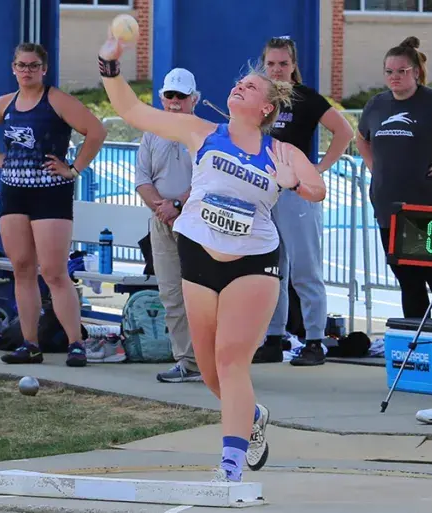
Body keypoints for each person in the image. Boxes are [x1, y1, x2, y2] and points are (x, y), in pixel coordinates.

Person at [98, 32, 325, 482]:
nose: (240, 86)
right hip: (199, 255)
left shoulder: (282, 150)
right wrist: (110, 65)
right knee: (209, 371)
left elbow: (317, 189)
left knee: (230, 361)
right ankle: (252, 417)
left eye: (252, 87)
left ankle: (232, 463)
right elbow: (131, 111)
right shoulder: (201, 131)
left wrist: (291, 181)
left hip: (254, 262)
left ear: (265, 108)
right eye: (239, 84)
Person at [0, 43, 106, 367]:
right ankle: (30, 343)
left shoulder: (55, 100)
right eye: (20, 65)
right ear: (13, 68)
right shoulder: (7, 103)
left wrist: (74, 168)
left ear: (43, 69)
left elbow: (96, 131)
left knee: (55, 272)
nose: (26, 71)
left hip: (50, 193)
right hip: (15, 192)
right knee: (22, 269)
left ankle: (75, 343)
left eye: (32, 65)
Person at [255, 36, 353, 366]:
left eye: (283, 63)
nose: (277, 69)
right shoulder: (260, 97)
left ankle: (314, 340)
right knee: (272, 271)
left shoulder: (307, 98)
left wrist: (319, 168)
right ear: (263, 64)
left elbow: (344, 132)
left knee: (305, 270)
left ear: (294, 65)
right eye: (271, 64)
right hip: (265, 194)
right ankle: (273, 337)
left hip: (298, 195)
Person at [357, 36, 432, 319]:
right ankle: (417, 346)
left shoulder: (428, 102)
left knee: (428, 274)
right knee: (407, 281)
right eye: (389, 71)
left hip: (422, 207)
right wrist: (374, 167)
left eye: (402, 71)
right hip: (388, 206)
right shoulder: (377, 105)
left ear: (415, 71)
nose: (395, 77)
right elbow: (361, 138)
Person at [135, 67, 202, 384]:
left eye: (181, 96)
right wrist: (163, 208)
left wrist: (177, 204)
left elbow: (206, 179)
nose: (175, 102)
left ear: (194, 99)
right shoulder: (151, 133)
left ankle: (209, 360)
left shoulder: (204, 134)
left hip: (197, 221)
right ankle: (186, 361)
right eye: (170, 95)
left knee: (201, 294)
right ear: (163, 98)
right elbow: (143, 180)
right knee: (172, 294)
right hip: (162, 222)